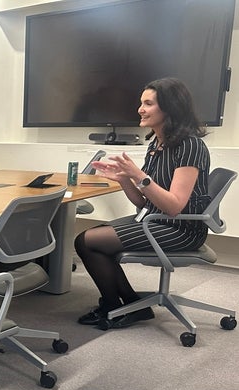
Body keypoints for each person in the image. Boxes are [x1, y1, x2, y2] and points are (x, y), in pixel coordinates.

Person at [75, 77, 211, 330]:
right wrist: (124, 179)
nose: (140, 109)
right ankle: (125, 305)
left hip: (181, 228)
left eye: (148, 103)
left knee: (87, 241)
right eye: (141, 103)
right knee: (91, 239)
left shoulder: (191, 146)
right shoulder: (156, 144)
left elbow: (174, 206)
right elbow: (141, 201)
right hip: (154, 218)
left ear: (170, 108)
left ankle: (118, 306)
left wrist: (138, 175)